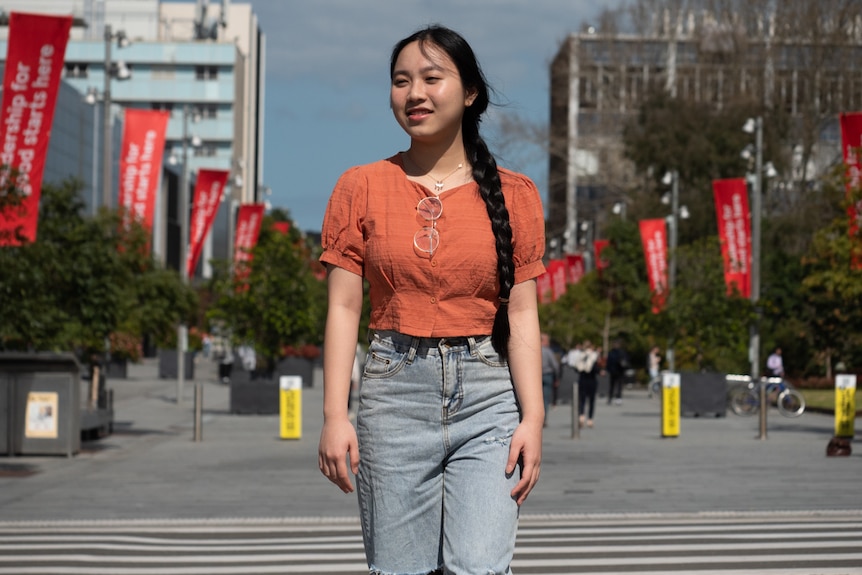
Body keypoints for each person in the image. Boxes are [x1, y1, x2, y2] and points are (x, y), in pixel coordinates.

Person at [317, 25, 546, 575]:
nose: (414, 93)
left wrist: (533, 418)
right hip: (394, 396)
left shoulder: (515, 195)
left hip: (489, 399)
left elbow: (521, 312)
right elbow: (344, 308)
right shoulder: (362, 186)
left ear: (469, 93)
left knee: (478, 565)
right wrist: (333, 415)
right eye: (401, 81)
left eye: (430, 78)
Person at [576, 340, 600, 428]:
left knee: (582, 400)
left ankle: (581, 416)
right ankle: (590, 419)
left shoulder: (580, 356)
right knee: (591, 401)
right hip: (591, 381)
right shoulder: (594, 356)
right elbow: (596, 369)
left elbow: (576, 368)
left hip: (582, 380)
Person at [541, 333, 560, 427]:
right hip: (547, 376)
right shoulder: (548, 351)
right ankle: (543, 419)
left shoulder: (532, 349)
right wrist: (557, 377)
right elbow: (555, 365)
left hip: (536, 376)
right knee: (545, 399)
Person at [606, 339, 629, 405]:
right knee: (614, 385)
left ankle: (617, 398)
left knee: (617, 385)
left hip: (618, 371)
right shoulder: (613, 353)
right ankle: (613, 398)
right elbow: (609, 362)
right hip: (615, 371)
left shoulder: (619, 353)